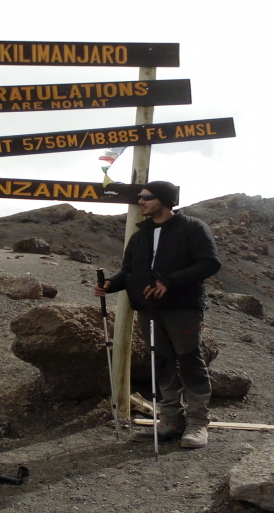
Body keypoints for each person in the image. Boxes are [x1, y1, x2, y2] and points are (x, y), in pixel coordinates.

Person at [95, 181, 221, 448]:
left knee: (189, 360)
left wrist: (170, 281)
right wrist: (111, 284)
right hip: (148, 308)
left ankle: (198, 422)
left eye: (146, 197)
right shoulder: (139, 235)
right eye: (140, 197)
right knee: (160, 362)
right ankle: (171, 421)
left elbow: (210, 263)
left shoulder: (192, 228)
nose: (140, 201)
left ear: (164, 200)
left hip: (182, 306)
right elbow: (129, 270)